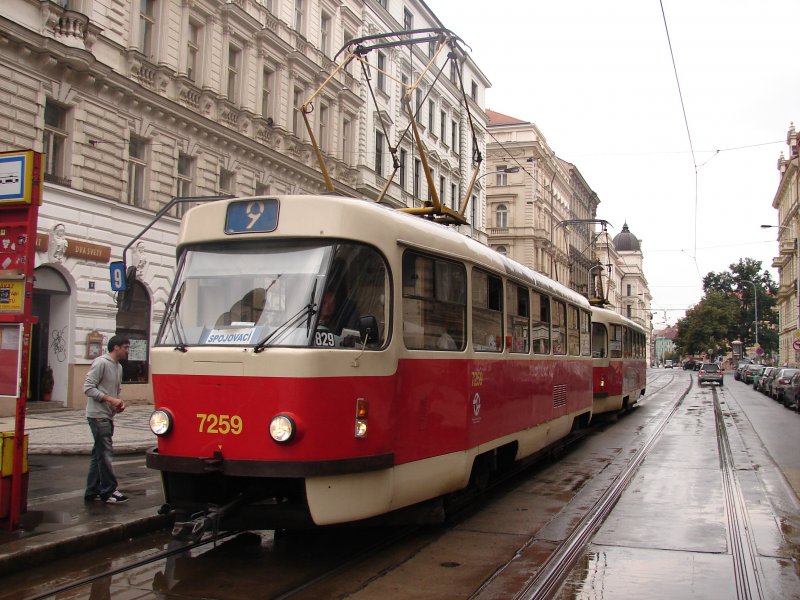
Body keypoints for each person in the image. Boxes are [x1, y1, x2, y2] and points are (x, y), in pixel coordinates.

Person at [83, 335, 129, 504]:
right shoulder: (101, 363)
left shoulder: (119, 367)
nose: (127, 351)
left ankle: (92, 490)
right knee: (105, 454)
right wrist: (110, 400)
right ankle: (108, 490)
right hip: (97, 415)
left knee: (98, 454)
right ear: (116, 347)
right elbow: (87, 388)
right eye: (125, 347)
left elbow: (115, 391)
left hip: (107, 415)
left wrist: (117, 404)